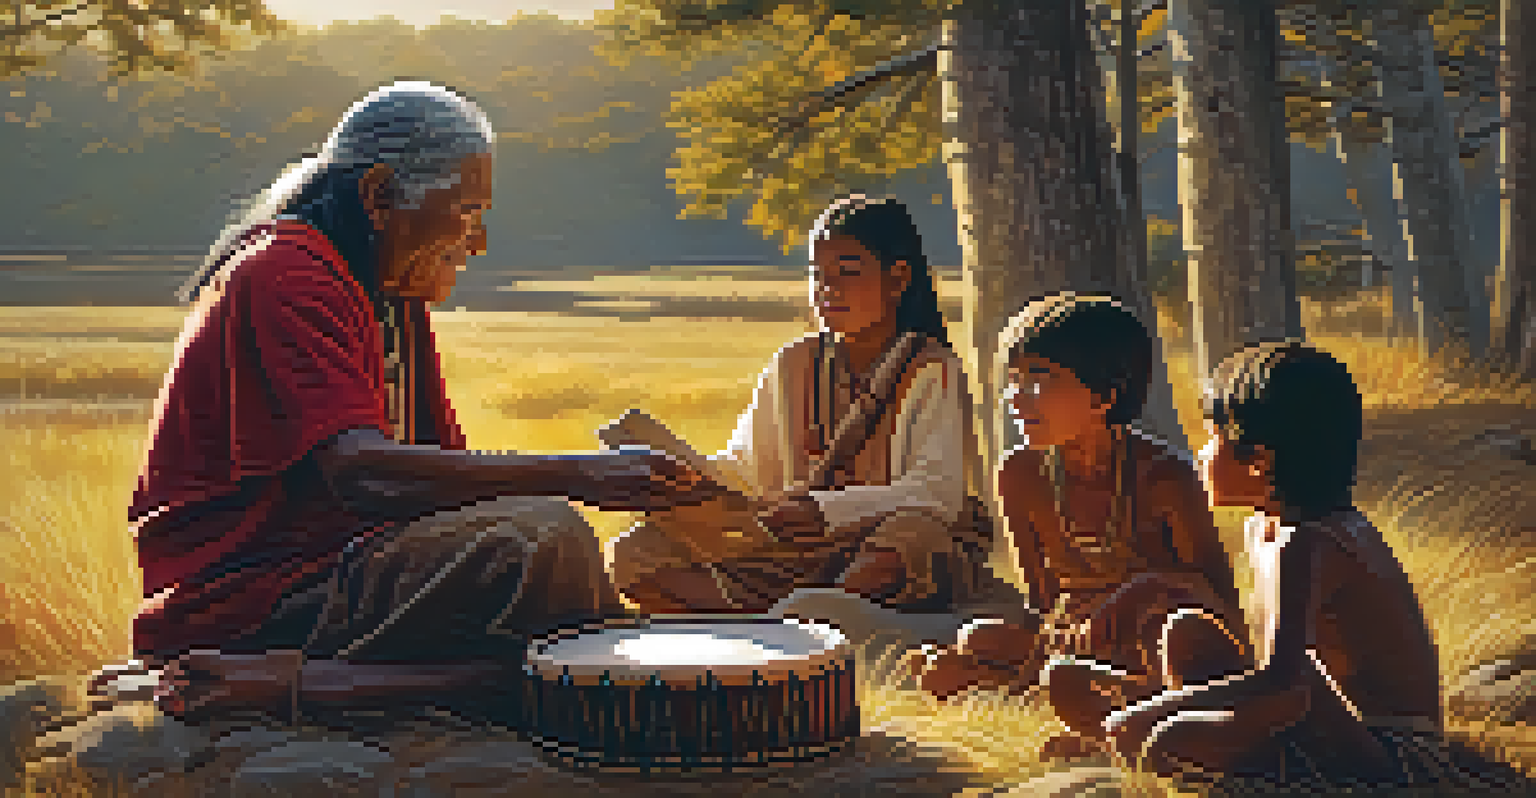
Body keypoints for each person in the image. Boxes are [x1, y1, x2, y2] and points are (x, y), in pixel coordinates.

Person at [108, 82, 718, 722]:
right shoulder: (284, 273)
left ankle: (488, 685)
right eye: (467, 209)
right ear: (378, 196)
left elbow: (435, 476)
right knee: (545, 541)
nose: (477, 242)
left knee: (549, 570)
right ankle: (310, 685)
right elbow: (362, 473)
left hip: (343, 567)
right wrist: (582, 476)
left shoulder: (391, 295)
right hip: (256, 593)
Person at [1070, 339, 1460, 788]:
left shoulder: (1310, 543)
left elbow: (1286, 682)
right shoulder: (1265, 527)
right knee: (1186, 633)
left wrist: (1155, 710)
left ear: (1259, 460)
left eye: (1214, 437)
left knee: (1168, 739)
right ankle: (1168, 741)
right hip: (1307, 714)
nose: (1202, 453)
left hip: (1388, 752)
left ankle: (1210, 754)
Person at [607, 194, 992, 619]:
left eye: (847, 273)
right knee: (632, 555)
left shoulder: (931, 369)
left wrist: (823, 510)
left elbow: (935, 495)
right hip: (792, 553)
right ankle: (795, 618)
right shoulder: (792, 363)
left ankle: (796, 620)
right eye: (819, 276)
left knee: (910, 540)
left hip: (877, 550)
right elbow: (748, 470)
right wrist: (682, 472)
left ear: (898, 279)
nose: (829, 290)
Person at [913, 293, 1246, 761]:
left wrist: (1141, 593)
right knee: (976, 638)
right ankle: (1038, 685)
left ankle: (1118, 719)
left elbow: (1217, 602)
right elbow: (1040, 600)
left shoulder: (1163, 475)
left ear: (1106, 394)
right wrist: (1054, 637)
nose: (1016, 398)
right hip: (1077, 638)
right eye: (1013, 382)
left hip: (1155, 636)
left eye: (1039, 381)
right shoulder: (1019, 475)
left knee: (1163, 644)